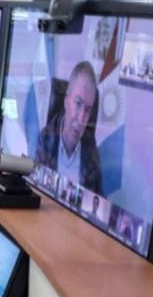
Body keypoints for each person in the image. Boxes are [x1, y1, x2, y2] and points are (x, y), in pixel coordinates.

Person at [35, 60, 103, 196]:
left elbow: (97, 201)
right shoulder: (46, 141)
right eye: (78, 103)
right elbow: (34, 190)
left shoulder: (92, 154)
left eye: (88, 110)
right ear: (66, 101)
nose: (82, 118)